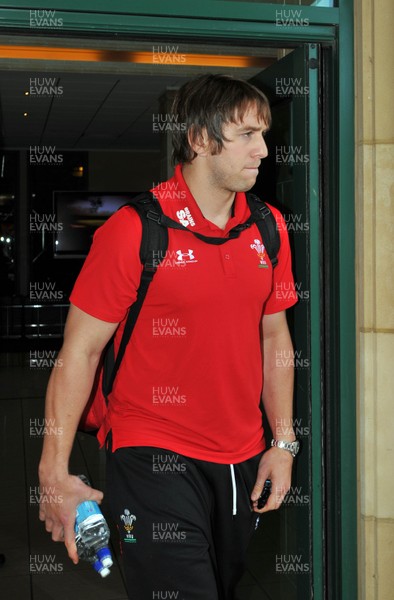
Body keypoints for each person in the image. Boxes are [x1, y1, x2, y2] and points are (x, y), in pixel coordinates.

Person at [39, 74, 299, 600]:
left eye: (264, 134)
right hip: (151, 451)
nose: (263, 150)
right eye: (247, 134)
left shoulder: (269, 227)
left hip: (239, 457)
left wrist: (283, 442)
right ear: (201, 139)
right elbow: (79, 353)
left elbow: (275, 337)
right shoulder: (134, 231)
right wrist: (53, 474)